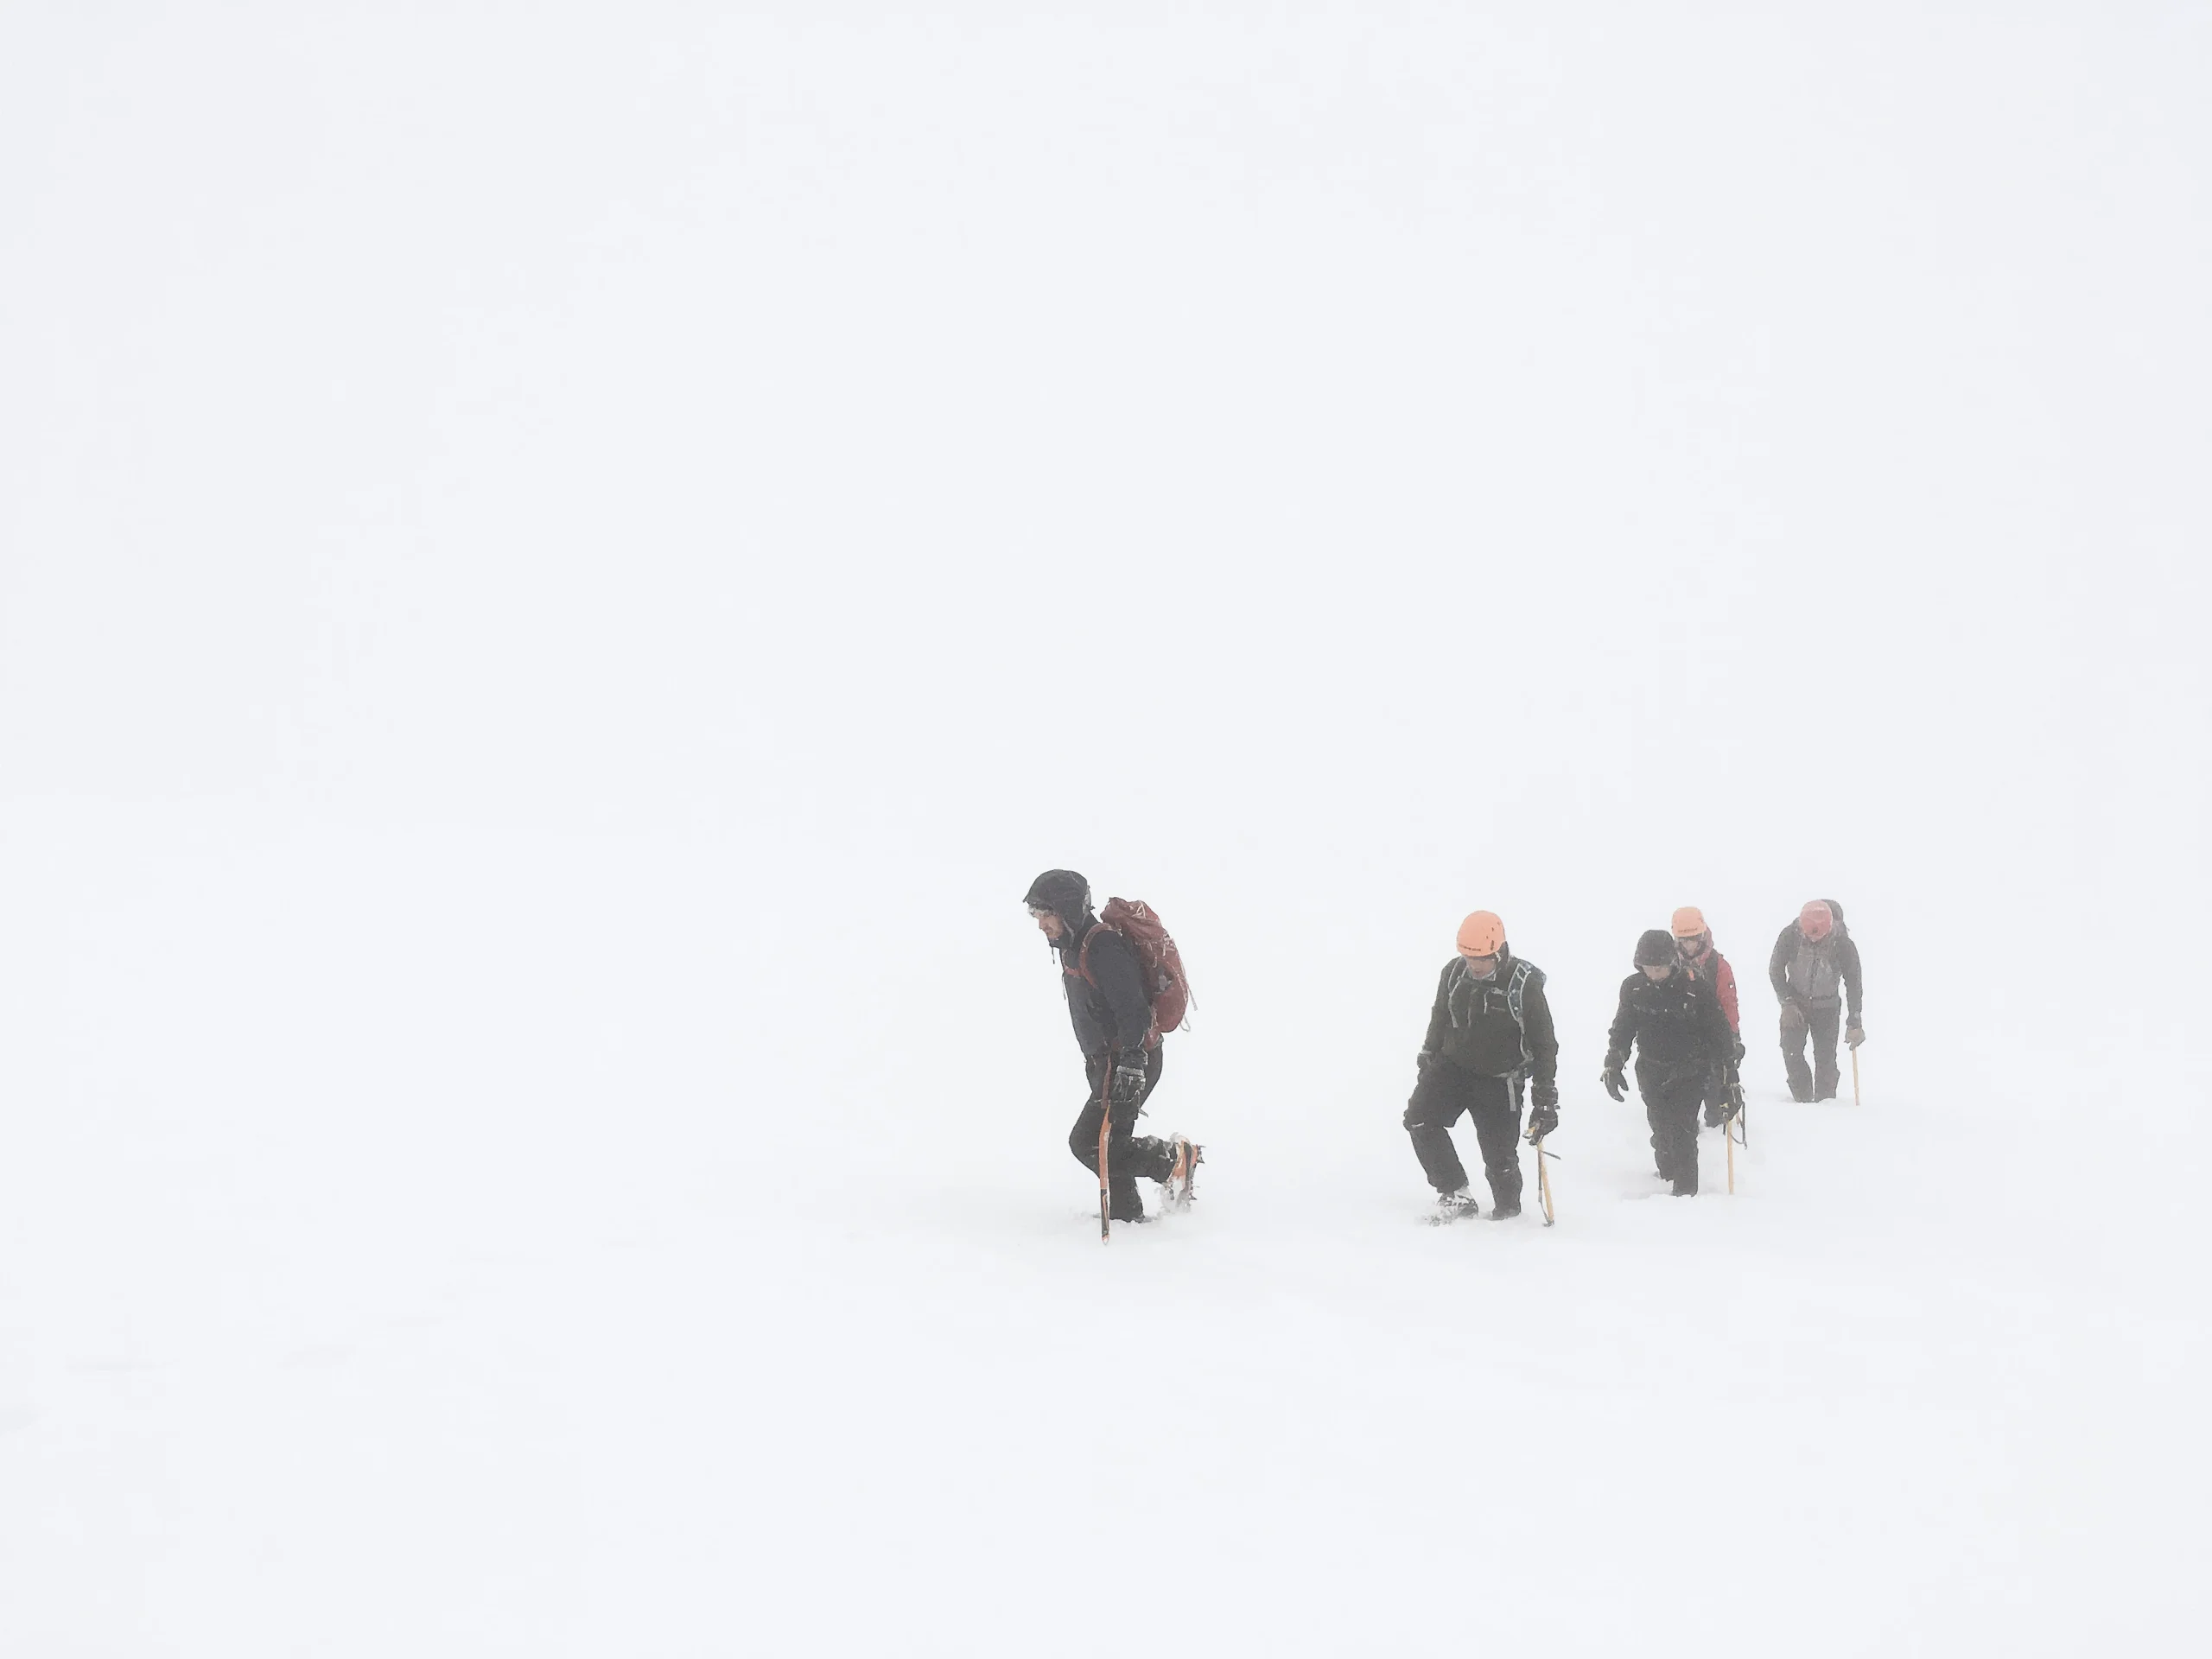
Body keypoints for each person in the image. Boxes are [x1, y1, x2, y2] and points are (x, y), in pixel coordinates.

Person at [1022, 868, 1193, 1224]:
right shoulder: (1073, 945)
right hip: (1108, 1062)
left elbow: (1132, 1009)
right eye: (1036, 915)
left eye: (1046, 914)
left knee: (1088, 1143)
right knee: (1110, 1140)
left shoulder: (1102, 946)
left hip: (1129, 1061)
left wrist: (1131, 1062)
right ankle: (1127, 1217)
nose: (1041, 925)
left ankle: (1172, 1161)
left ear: (1067, 909)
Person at [1405, 910, 1560, 1220]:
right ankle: (1455, 1192)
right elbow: (1440, 1016)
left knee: (1499, 1157)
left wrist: (1545, 1101)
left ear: (1499, 952)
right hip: (1454, 1067)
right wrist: (1428, 1053)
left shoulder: (1525, 985)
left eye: (1482, 959)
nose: (1474, 966)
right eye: (1468, 957)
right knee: (1419, 1119)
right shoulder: (1453, 973)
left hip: (1500, 1081)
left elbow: (1545, 1046)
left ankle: (1508, 1214)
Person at [1602, 929, 1738, 1196]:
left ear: (1672, 963)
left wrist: (1729, 1077)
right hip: (1651, 1069)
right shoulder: (1634, 987)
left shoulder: (1694, 987)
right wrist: (1614, 1062)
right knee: (1661, 1130)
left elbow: (1719, 1033)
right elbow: (1623, 1028)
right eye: (1648, 968)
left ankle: (1686, 1193)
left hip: (1690, 1070)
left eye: (1660, 968)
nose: (1654, 974)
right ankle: (1666, 1175)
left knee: (1683, 1132)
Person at [1768, 899, 1865, 1103]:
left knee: (1826, 1060)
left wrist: (1854, 1021)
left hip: (1827, 1007)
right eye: (1809, 935)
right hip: (1796, 1004)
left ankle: (1826, 1104)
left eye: (1819, 936)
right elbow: (1775, 970)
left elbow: (1853, 983)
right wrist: (1787, 1003)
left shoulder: (1843, 944)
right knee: (1791, 1053)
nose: (1813, 940)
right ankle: (1802, 1101)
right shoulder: (1789, 936)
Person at [1670, 906, 1744, 1128]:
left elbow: (1728, 1003)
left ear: (1702, 935)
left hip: (1712, 1035)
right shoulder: (1668, 964)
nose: (1689, 944)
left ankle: (1716, 1125)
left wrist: (1733, 1038)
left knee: (1715, 1093)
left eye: (1693, 938)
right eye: (1683, 939)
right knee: (1679, 1098)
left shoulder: (1719, 966)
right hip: (1677, 1037)